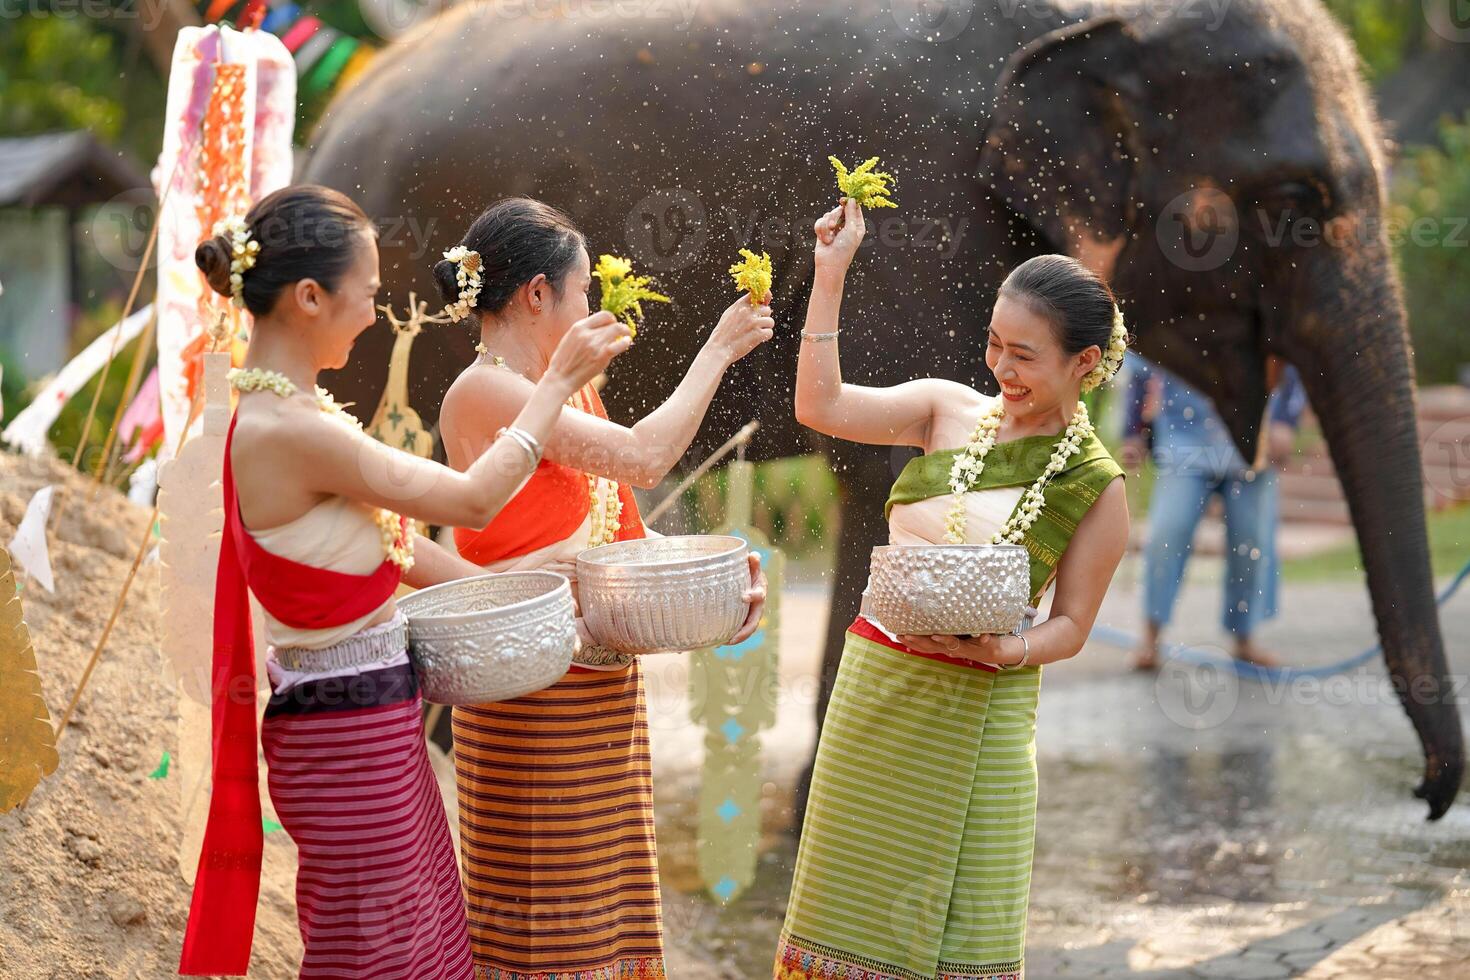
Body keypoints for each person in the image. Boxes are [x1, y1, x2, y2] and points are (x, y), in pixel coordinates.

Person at [178, 186, 632, 979]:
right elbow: (469, 499)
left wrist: (545, 592)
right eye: (369, 293)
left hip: (372, 721)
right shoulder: (292, 431)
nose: (374, 311)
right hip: (345, 737)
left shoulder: (297, 417)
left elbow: (407, 557)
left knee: (422, 945)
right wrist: (555, 385)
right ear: (311, 297)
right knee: (375, 955)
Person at [774, 199, 1130, 980]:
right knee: (845, 919)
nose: (1001, 369)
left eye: (1025, 356)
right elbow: (820, 406)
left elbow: (1071, 624)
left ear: (1086, 363)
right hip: (879, 691)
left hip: (986, 713)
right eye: (995, 345)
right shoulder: (945, 408)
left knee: (965, 933)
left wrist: (1006, 648)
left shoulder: (1096, 487)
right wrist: (830, 275)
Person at [434, 197, 772, 978]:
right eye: (583, 289)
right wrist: (716, 351)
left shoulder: (569, 391)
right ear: (538, 295)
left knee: (605, 902)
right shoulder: (485, 391)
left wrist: (717, 577)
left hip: (600, 680)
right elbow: (647, 460)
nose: (592, 306)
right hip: (528, 679)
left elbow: (621, 532)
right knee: (545, 906)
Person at [1119, 354, 1307, 669]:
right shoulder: (1172, 304)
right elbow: (1142, 366)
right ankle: (1150, 637)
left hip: (1252, 437)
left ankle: (1244, 637)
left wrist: (1285, 419)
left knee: (1250, 542)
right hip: (1183, 440)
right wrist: (1132, 429)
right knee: (1167, 533)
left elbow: (1289, 355)